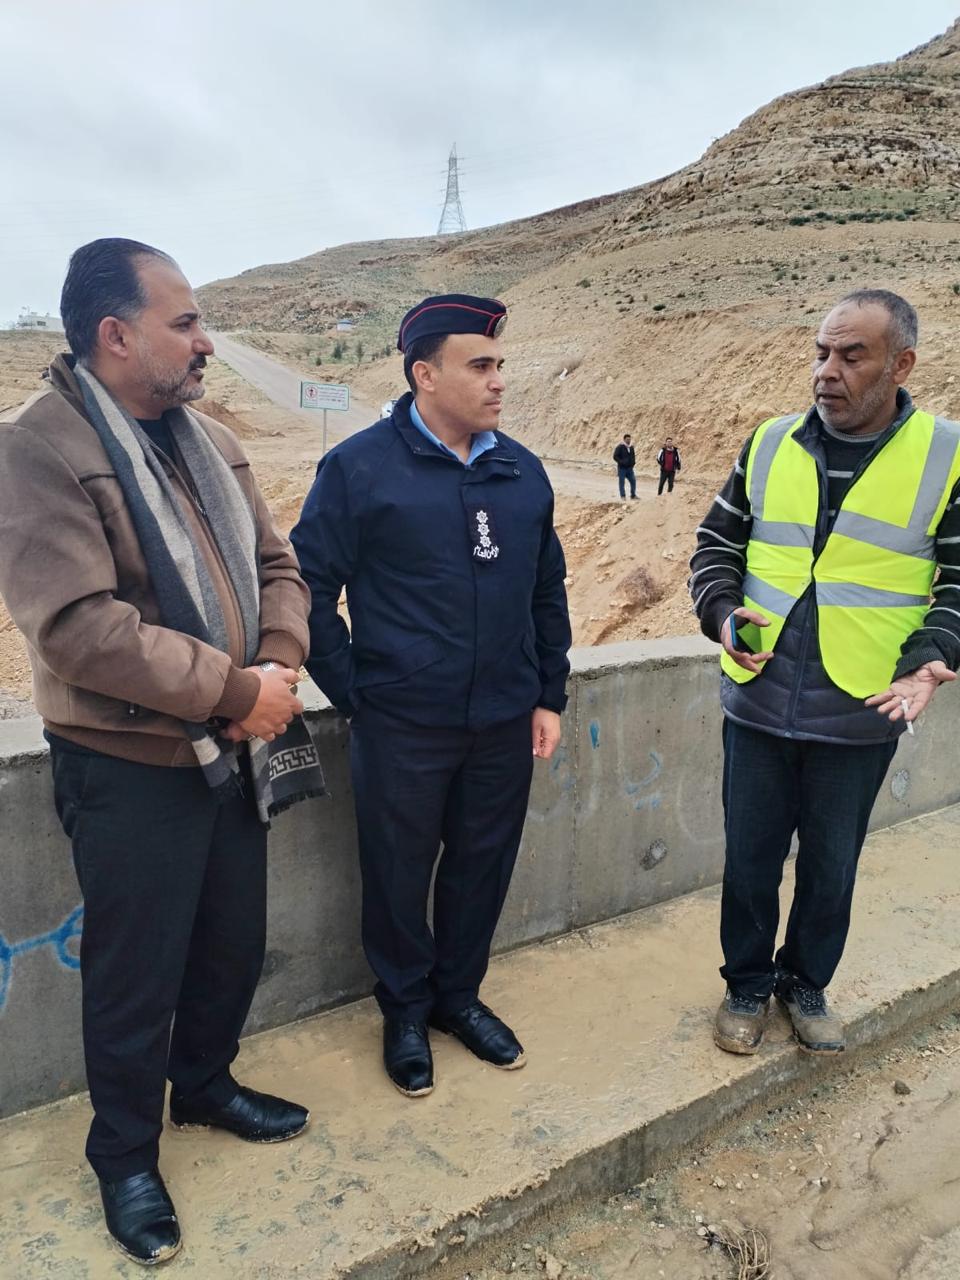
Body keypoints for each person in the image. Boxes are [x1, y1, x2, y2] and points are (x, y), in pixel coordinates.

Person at [0, 239, 322, 1266]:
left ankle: (207, 1084)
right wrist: (236, 692)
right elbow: (80, 628)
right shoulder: (38, 448)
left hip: (234, 744)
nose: (205, 341)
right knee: (135, 974)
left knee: (232, 939)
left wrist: (273, 668)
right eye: (185, 322)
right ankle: (125, 1155)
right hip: (129, 765)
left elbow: (279, 565)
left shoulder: (211, 439)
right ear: (115, 334)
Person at [291, 294, 571, 1099]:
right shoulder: (360, 469)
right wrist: (357, 692)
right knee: (396, 873)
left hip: (503, 722)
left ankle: (458, 998)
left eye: (499, 365)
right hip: (401, 725)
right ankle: (405, 1010)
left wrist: (547, 694)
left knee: (482, 866)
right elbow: (308, 589)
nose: (498, 381)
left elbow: (545, 591)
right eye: (480, 365)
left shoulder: (520, 471)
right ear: (425, 374)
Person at [690, 289, 960, 1060]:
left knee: (831, 866)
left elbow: (958, 582)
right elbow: (716, 547)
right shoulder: (770, 442)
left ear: (901, 365)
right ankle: (746, 985)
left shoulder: (946, 455)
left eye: (851, 355)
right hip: (758, 699)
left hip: (862, 706)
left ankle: (805, 984)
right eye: (820, 352)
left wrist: (932, 656)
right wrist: (723, 615)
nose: (826, 371)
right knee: (749, 860)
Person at [614, 432, 637, 498]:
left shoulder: (631, 447)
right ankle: (623, 496)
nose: (628, 441)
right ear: (624, 439)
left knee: (633, 481)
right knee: (622, 482)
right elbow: (615, 456)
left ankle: (633, 495)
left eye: (629, 439)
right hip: (622, 468)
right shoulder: (620, 447)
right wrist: (621, 462)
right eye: (627, 439)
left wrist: (633, 463)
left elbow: (633, 456)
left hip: (629, 468)